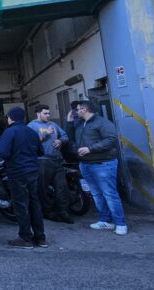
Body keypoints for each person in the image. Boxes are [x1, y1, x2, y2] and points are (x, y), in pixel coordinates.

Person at [0, 107, 47, 249]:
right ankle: (40, 238)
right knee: (34, 203)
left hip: (17, 172)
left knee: (21, 204)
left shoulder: (10, 131)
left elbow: (2, 152)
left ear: (11, 118)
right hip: (33, 172)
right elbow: (40, 151)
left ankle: (25, 238)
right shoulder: (31, 132)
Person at [76, 100, 128, 235]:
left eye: (78, 109)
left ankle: (120, 223)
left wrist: (90, 149)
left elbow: (111, 139)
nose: (76, 112)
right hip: (86, 164)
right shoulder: (81, 124)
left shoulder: (102, 123)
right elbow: (72, 138)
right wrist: (70, 123)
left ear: (84, 109)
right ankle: (106, 220)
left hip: (103, 164)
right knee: (96, 194)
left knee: (109, 194)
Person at [28, 105, 73, 224]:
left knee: (62, 187)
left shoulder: (53, 124)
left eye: (48, 113)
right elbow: (30, 142)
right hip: (42, 160)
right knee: (42, 189)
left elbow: (65, 136)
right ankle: (47, 212)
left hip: (57, 160)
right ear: (38, 113)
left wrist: (61, 141)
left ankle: (63, 212)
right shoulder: (32, 126)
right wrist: (45, 134)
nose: (48, 115)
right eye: (45, 113)